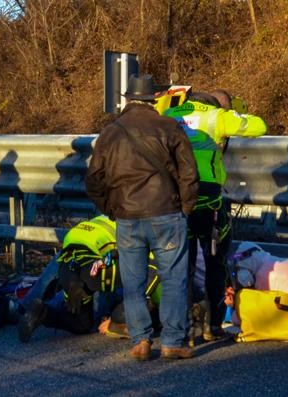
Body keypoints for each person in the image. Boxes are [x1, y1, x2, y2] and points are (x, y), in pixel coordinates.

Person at [85, 74, 199, 360]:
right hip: (167, 213)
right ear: (154, 99)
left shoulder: (110, 133)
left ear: (127, 100)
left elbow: (94, 179)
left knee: (133, 281)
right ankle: (173, 341)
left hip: (127, 217)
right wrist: (186, 207)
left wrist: (111, 209)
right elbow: (189, 173)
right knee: (173, 278)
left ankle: (141, 341)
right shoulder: (169, 126)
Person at [163, 89, 267, 341]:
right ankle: (214, 325)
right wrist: (230, 116)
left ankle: (184, 330)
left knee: (180, 267)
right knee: (215, 263)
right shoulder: (216, 117)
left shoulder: (167, 115)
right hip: (209, 203)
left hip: (177, 201)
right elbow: (259, 126)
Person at [17, 215, 163, 343]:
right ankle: (116, 321)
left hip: (70, 257)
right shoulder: (148, 231)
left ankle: (41, 311)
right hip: (93, 266)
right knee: (131, 283)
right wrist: (118, 318)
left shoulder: (119, 211)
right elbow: (150, 274)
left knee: (81, 322)